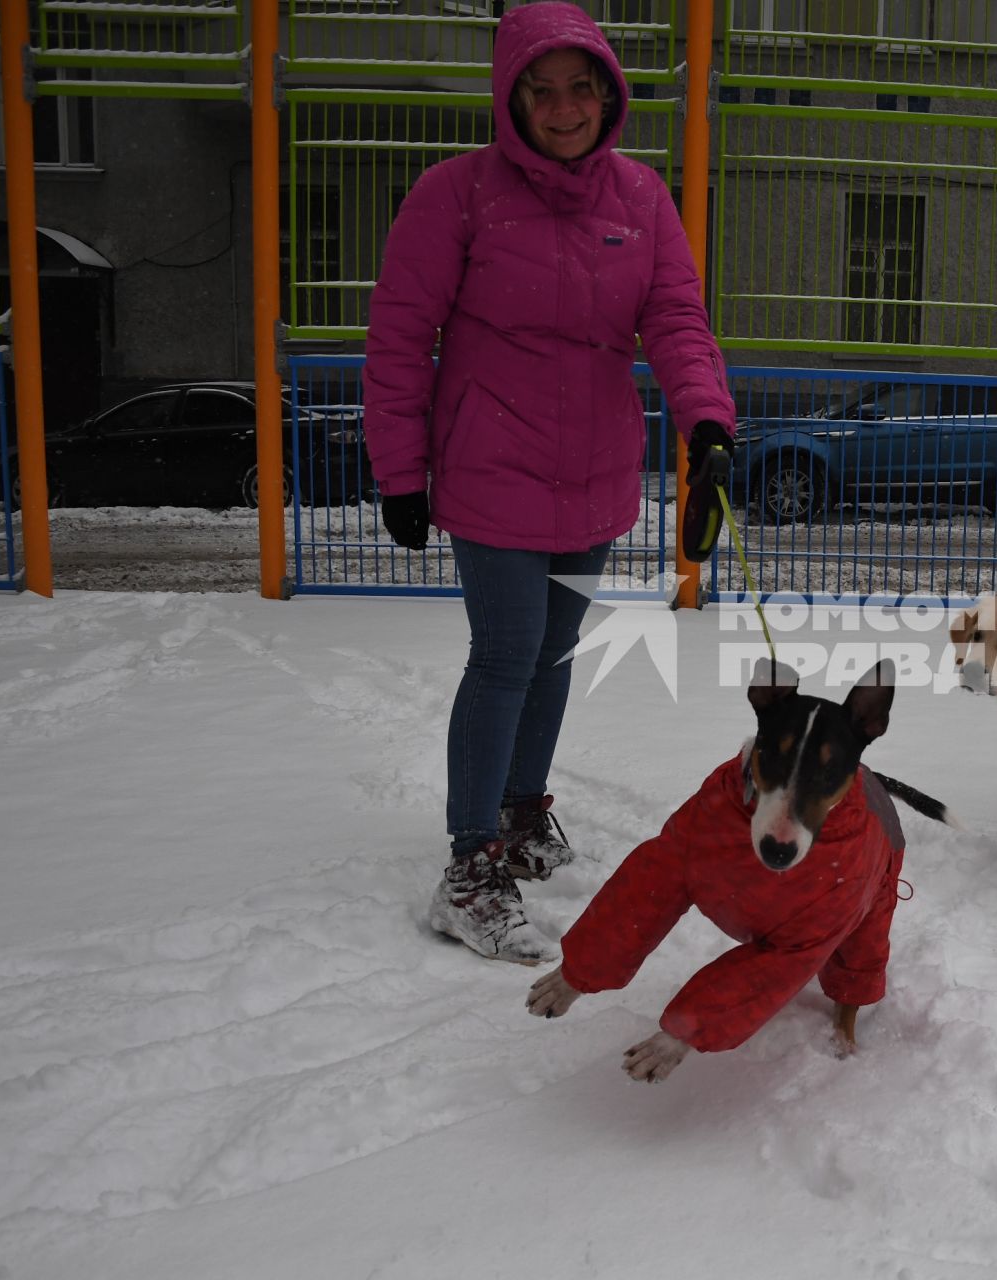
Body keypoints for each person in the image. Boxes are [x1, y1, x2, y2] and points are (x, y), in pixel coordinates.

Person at [364, 1, 736, 964]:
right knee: (507, 651)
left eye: (582, 88)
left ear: (607, 96)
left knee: (557, 649)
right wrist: (400, 471)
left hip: (597, 469)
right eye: (542, 89)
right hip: (493, 462)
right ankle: (469, 863)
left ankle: (523, 814)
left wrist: (709, 425)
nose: (563, 107)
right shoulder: (456, 195)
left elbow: (678, 322)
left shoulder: (641, 200)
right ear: (512, 96)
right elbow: (401, 340)